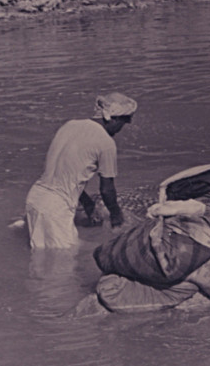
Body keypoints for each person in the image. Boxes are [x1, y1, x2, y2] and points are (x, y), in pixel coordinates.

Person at [24, 92, 137, 249]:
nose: (120, 129)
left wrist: (88, 203)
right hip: (56, 208)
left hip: (35, 198)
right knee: (63, 265)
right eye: (124, 122)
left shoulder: (69, 125)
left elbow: (62, 173)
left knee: (42, 257)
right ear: (113, 118)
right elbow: (107, 189)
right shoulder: (106, 142)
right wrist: (116, 216)